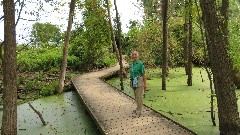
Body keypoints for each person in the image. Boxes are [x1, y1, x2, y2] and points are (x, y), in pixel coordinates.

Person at [130, 50, 147, 117]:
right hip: (133, 81)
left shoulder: (140, 64)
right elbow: (131, 73)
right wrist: (130, 81)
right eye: (133, 54)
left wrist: (145, 84)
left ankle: (139, 112)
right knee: (136, 97)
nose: (134, 56)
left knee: (139, 97)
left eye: (135, 54)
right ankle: (138, 108)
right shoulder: (132, 64)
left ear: (138, 56)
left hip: (139, 81)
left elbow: (144, 74)